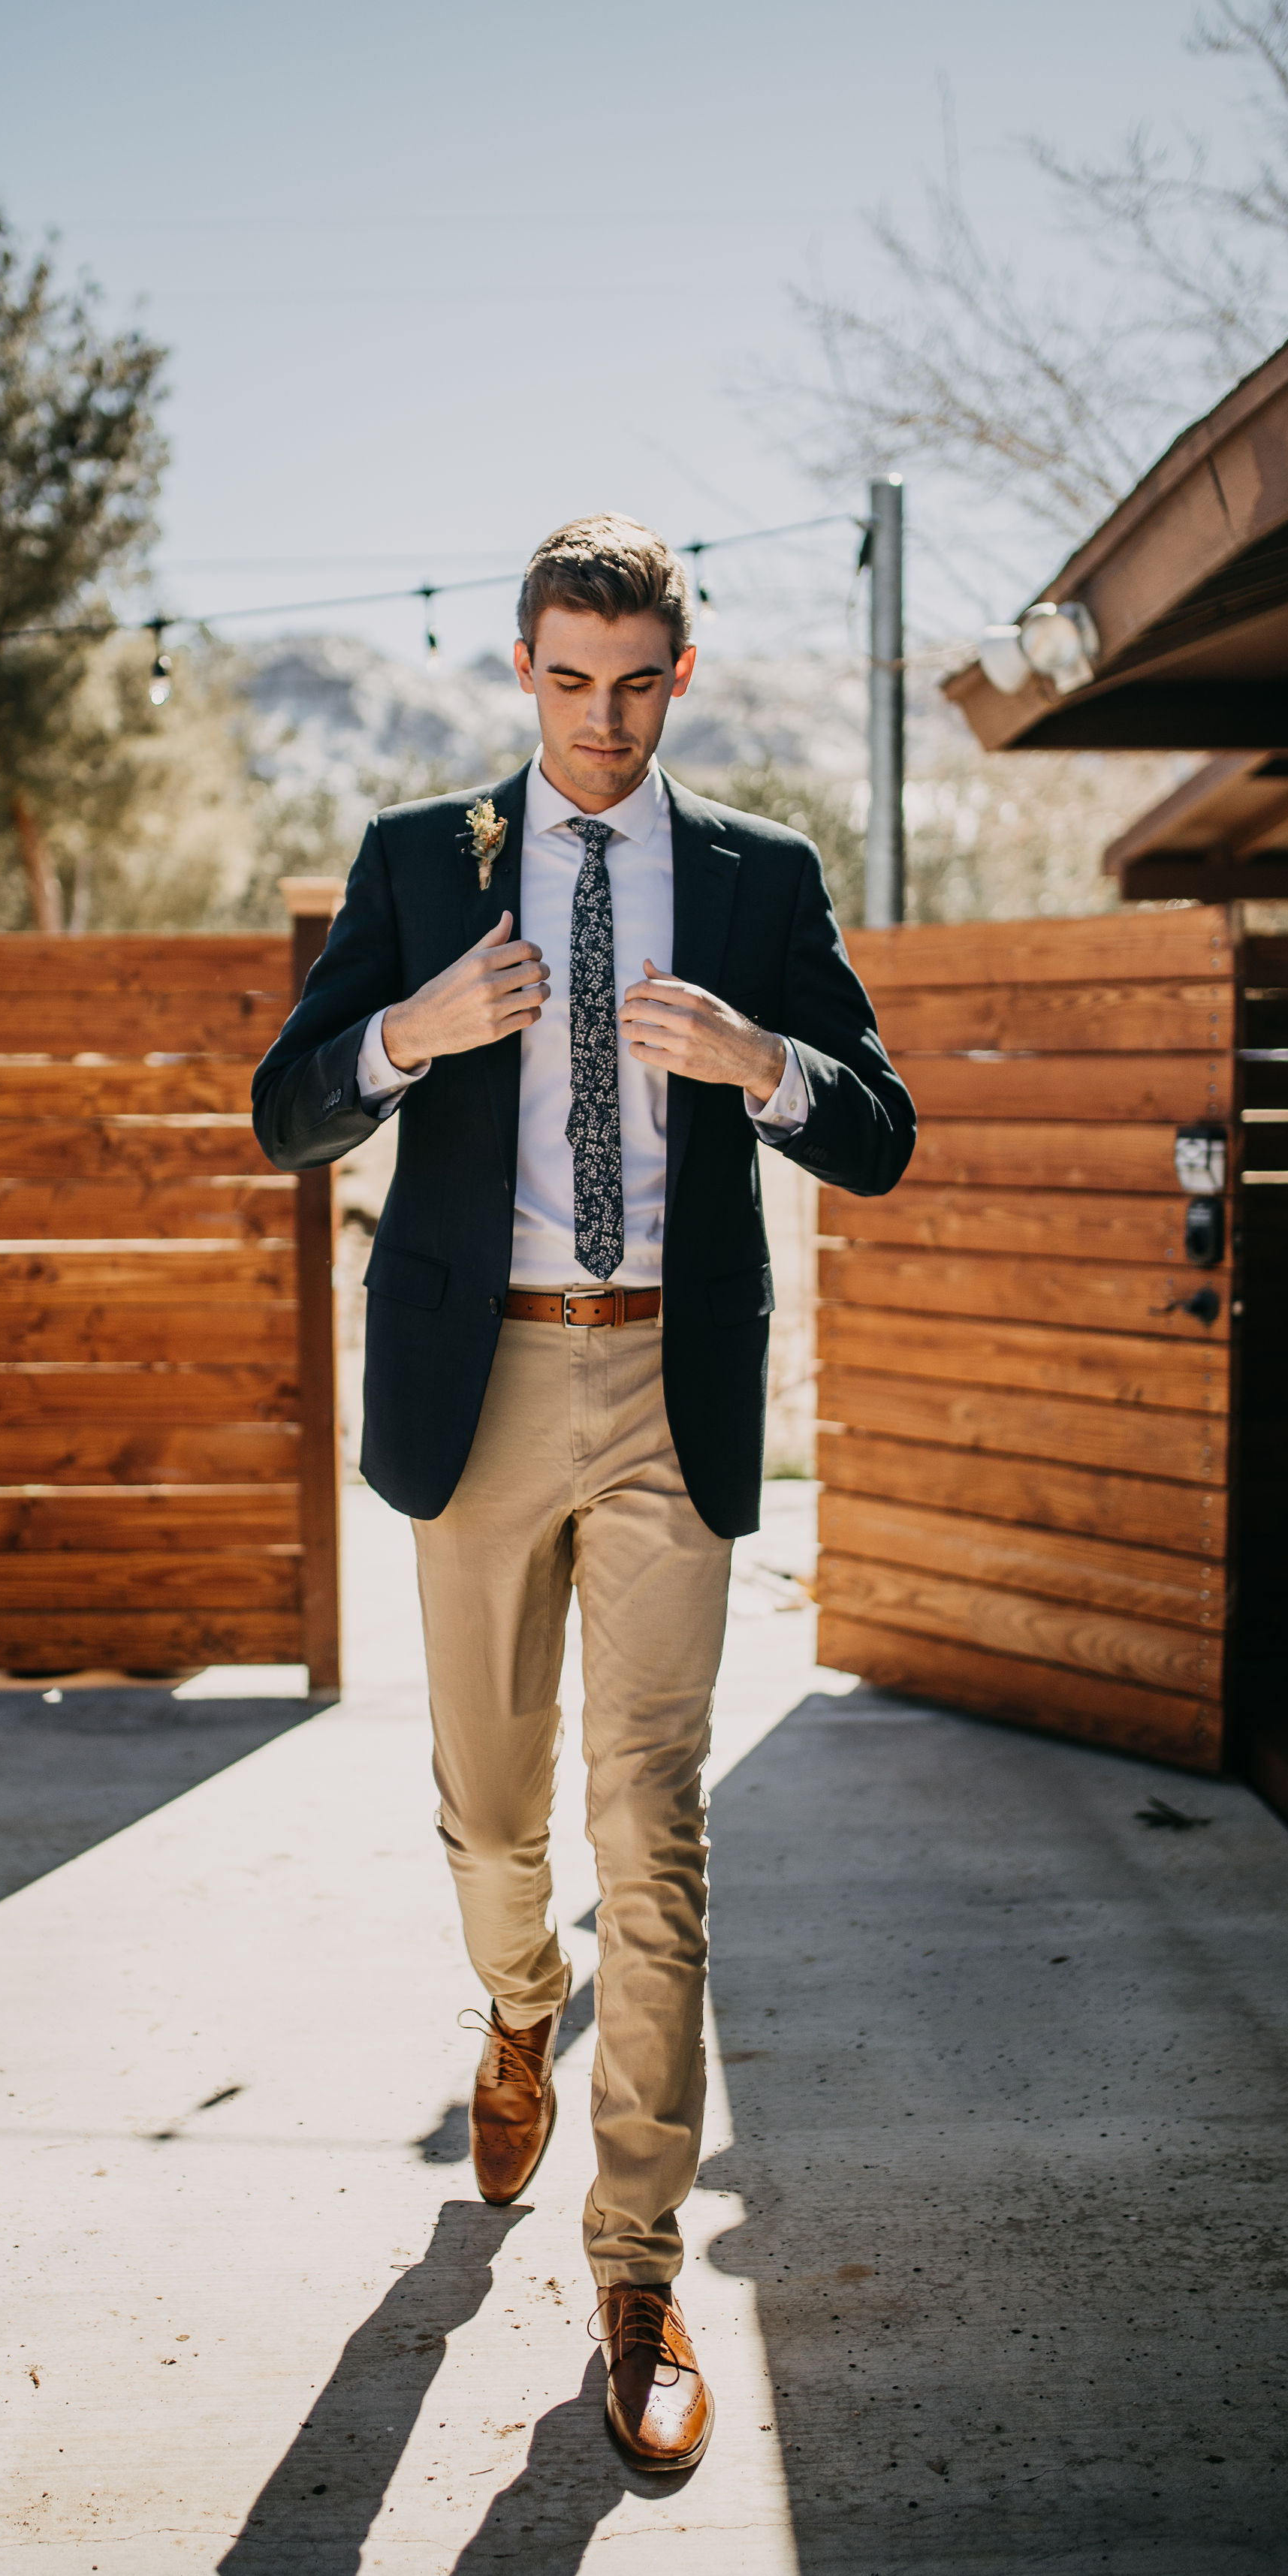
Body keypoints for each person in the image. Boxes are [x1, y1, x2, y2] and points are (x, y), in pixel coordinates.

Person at [253, 513, 915, 2474]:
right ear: (521, 672)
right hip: (486, 1376)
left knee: (660, 1816)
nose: (601, 723)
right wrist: (407, 1033)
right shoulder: (413, 866)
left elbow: (878, 1132)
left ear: (679, 676)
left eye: (635, 686)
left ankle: (636, 2266)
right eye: (566, 681)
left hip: (670, 1381)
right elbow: (285, 1105)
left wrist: (765, 1060)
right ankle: (514, 2004)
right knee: (488, 1806)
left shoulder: (760, 876)